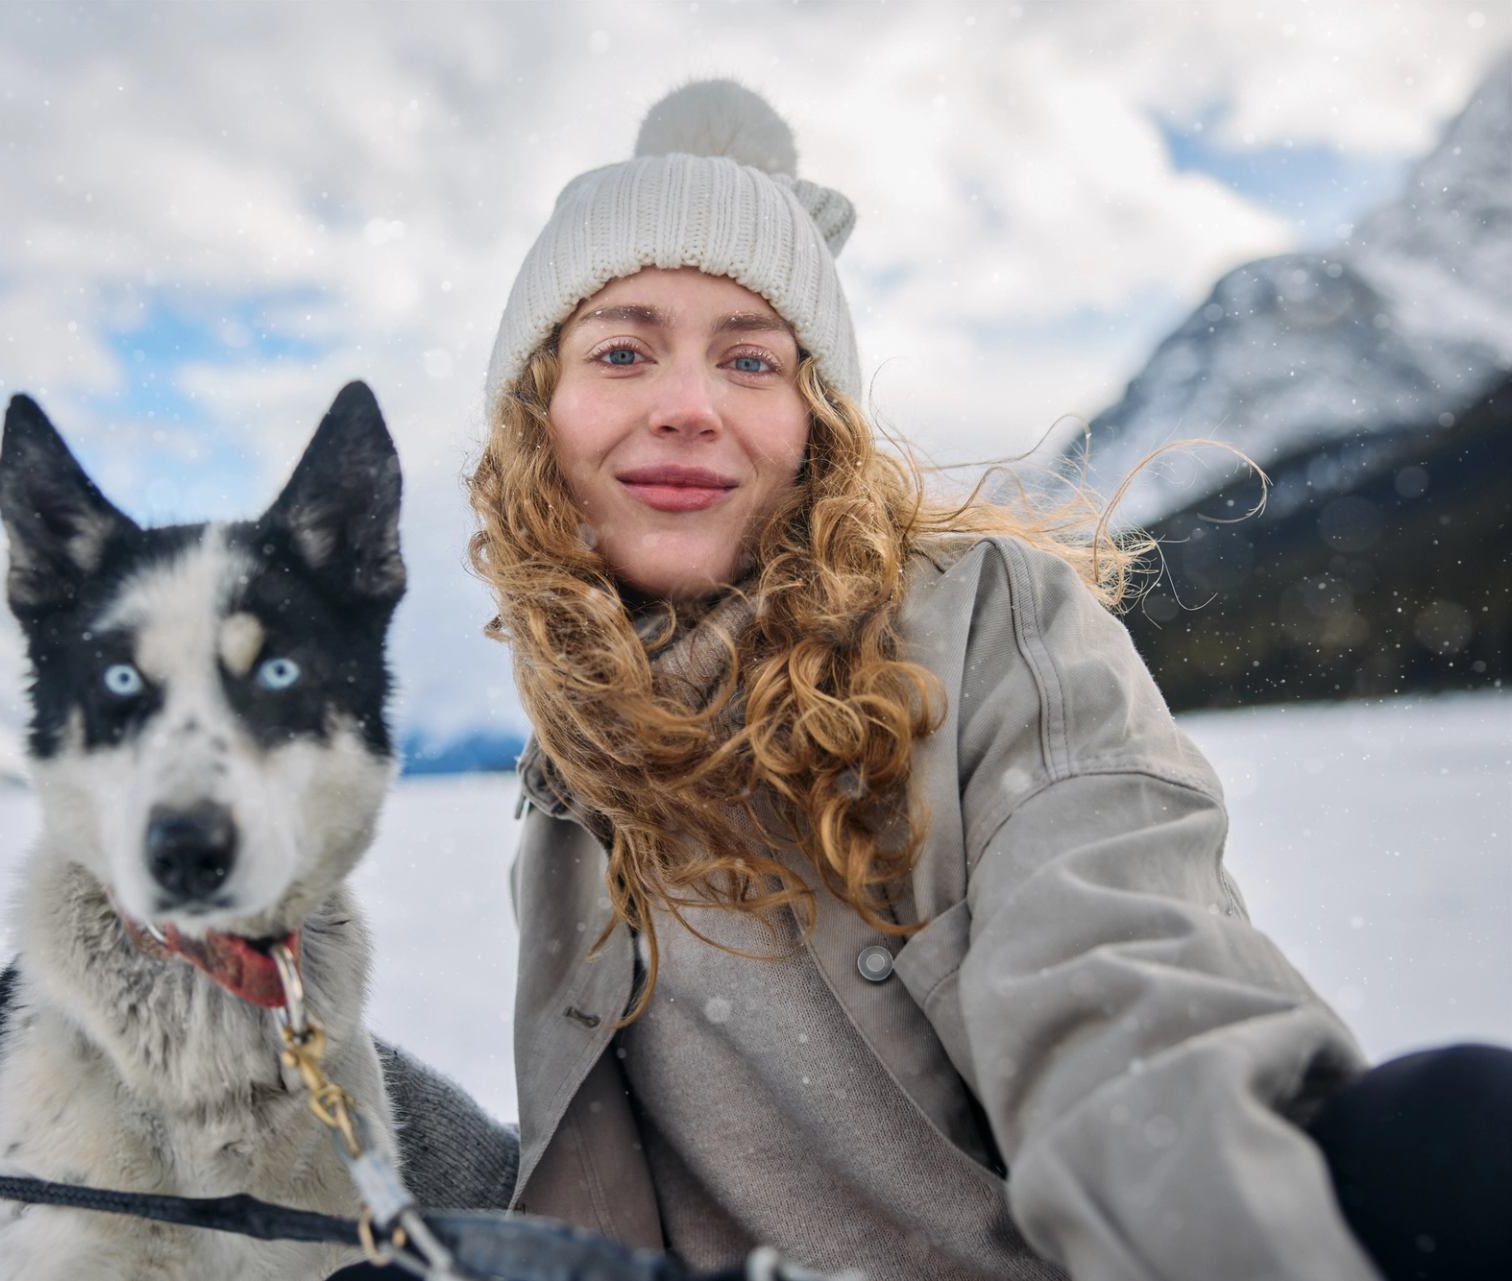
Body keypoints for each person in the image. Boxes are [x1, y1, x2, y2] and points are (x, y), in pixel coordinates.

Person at [400, 79, 1509, 1281]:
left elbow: (1130, 1014)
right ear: (539, 416)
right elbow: (598, 1205)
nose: (687, 407)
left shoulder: (990, 627)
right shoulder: (575, 768)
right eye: (622, 349)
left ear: (815, 422)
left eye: (752, 361)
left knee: (1446, 1134)